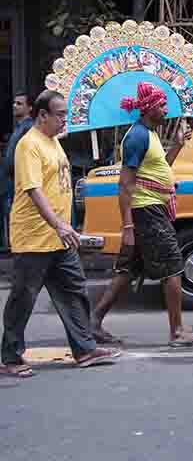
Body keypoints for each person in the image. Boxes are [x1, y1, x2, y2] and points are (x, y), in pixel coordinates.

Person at [2, 90, 120, 378]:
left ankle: (84, 349)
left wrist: (64, 227)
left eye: (66, 114)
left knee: (75, 290)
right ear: (42, 115)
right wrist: (58, 223)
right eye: (60, 114)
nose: (64, 119)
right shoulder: (29, 145)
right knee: (23, 298)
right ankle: (9, 356)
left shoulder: (52, 141)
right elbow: (33, 190)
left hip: (59, 237)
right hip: (34, 237)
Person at [89, 83, 193, 347]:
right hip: (146, 210)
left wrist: (177, 146)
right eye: (162, 104)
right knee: (174, 265)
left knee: (129, 270)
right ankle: (177, 332)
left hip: (153, 208)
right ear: (149, 107)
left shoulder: (151, 134)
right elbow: (125, 184)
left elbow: (160, 167)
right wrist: (128, 227)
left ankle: (93, 322)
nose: (166, 109)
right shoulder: (137, 137)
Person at [2, 92, 33, 248]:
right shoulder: (20, 127)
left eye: (19, 103)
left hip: (20, 180)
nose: (15, 106)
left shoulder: (29, 127)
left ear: (29, 108)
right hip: (12, 180)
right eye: (14, 103)